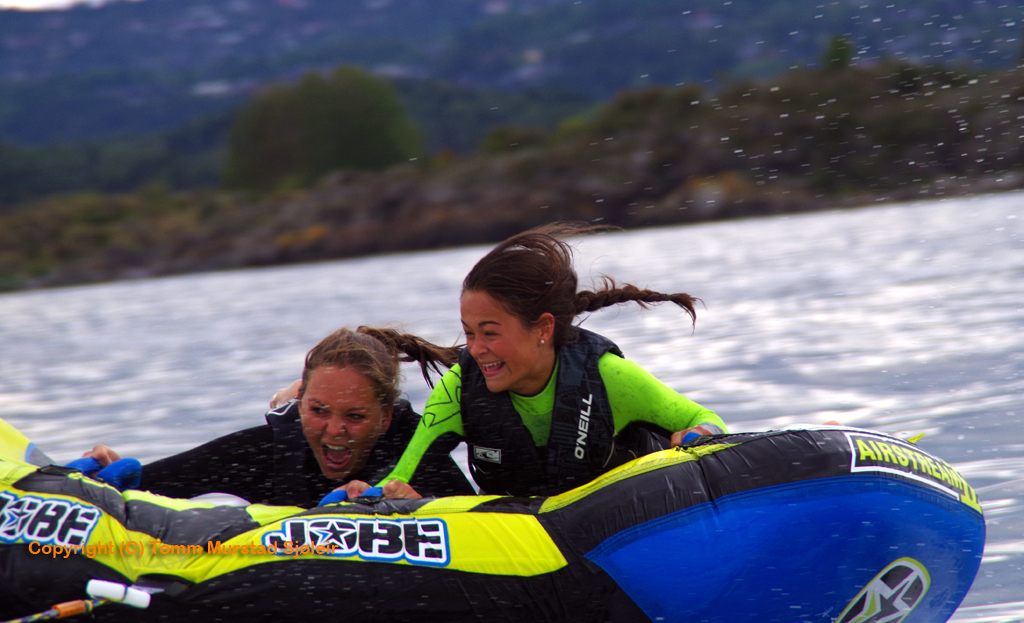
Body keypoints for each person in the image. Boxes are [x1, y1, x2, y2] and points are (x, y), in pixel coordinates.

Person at [341, 223, 728, 499]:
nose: (475, 349)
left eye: (490, 333)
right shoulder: (459, 389)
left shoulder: (607, 377)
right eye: (469, 333)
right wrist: (376, 495)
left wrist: (700, 434)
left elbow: (705, 419)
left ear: (543, 328)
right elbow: (399, 480)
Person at [84, 327, 474, 507]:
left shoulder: (421, 459)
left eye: (355, 416)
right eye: (319, 411)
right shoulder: (269, 450)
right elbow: (145, 488)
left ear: (385, 419)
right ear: (300, 403)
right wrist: (103, 475)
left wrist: (420, 509)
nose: (335, 431)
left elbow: (486, 529)